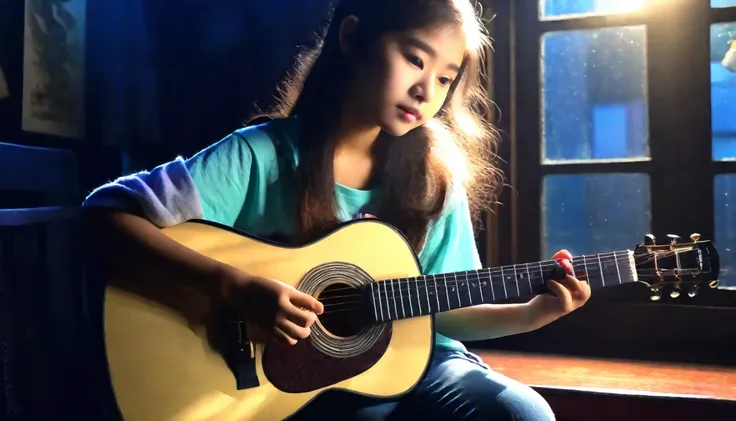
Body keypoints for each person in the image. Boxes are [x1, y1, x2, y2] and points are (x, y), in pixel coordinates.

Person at [82, 0, 591, 419]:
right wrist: (233, 287)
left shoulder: (436, 180)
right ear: (353, 38)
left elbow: (448, 311)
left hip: (421, 362)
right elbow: (106, 213)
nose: (425, 90)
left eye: (444, 79)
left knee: (524, 413)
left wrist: (531, 314)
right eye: (415, 59)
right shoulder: (264, 155)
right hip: (287, 378)